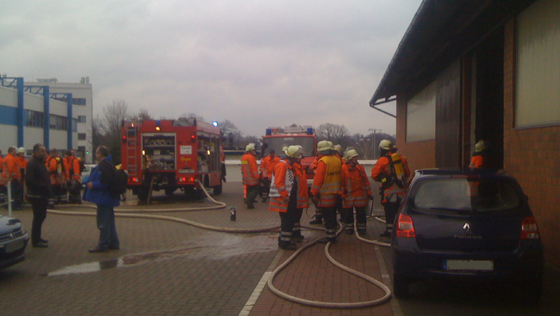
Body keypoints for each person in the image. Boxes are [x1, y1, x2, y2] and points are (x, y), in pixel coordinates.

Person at [269, 146, 308, 250]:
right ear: (291, 157)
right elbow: (279, 182)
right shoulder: (283, 165)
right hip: (283, 198)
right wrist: (284, 195)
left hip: (287, 198)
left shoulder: (289, 165)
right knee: (288, 220)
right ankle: (284, 243)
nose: (299, 159)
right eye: (297, 157)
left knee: (289, 220)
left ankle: (284, 239)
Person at [83, 145, 120, 253]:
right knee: (110, 222)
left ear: (100, 154)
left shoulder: (104, 167)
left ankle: (103, 245)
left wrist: (93, 185)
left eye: (97, 152)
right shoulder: (108, 165)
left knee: (103, 223)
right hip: (108, 198)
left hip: (103, 199)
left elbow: (105, 183)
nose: (95, 154)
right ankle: (113, 243)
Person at [371, 140, 410, 237]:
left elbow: (374, 175)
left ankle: (389, 231)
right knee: (399, 212)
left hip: (389, 192)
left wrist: (384, 180)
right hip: (401, 191)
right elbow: (407, 173)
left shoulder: (382, 160)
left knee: (389, 212)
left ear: (382, 150)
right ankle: (399, 231)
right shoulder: (402, 159)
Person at [311, 140, 342, 243]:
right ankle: (332, 234)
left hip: (324, 194)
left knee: (327, 216)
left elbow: (318, 179)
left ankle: (330, 236)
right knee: (332, 214)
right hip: (335, 193)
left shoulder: (323, 161)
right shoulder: (337, 160)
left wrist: (314, 192)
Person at [25, 144, 52, 248]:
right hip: (36, 195)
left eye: (44, 151)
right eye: (42, 151)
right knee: (38, 217)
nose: (44, 153)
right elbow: (29, 181)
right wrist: (43, 186)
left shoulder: (40, 163)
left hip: (42, 195)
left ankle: (38, 238)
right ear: (35, 152)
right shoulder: (32, 163)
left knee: (41, 216)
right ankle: (35, 241)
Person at [340, 149, 372, 235]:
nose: (356, 159)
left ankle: (361, 228)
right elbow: (341, 182)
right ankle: (349, 228)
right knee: (348, 213)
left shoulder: (360, 168)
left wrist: (369, 192)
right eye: (354, 157)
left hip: (359, 195)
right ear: (350, 158)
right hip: (348, 195)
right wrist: (342, 193)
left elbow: (365, 181)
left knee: (361, 213)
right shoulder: (343, 168)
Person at [241, 143, 260, 209]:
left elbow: (243, 167)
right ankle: (249, 201)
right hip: (252, 177)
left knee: (248, 189)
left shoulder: (243, 157)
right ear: (250, 151)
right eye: (253, 150)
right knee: (256, 189)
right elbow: (253, 168)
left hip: (245, 177)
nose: (254, 152)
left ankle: (249, 202)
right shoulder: (251, 158)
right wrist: (257, 176)